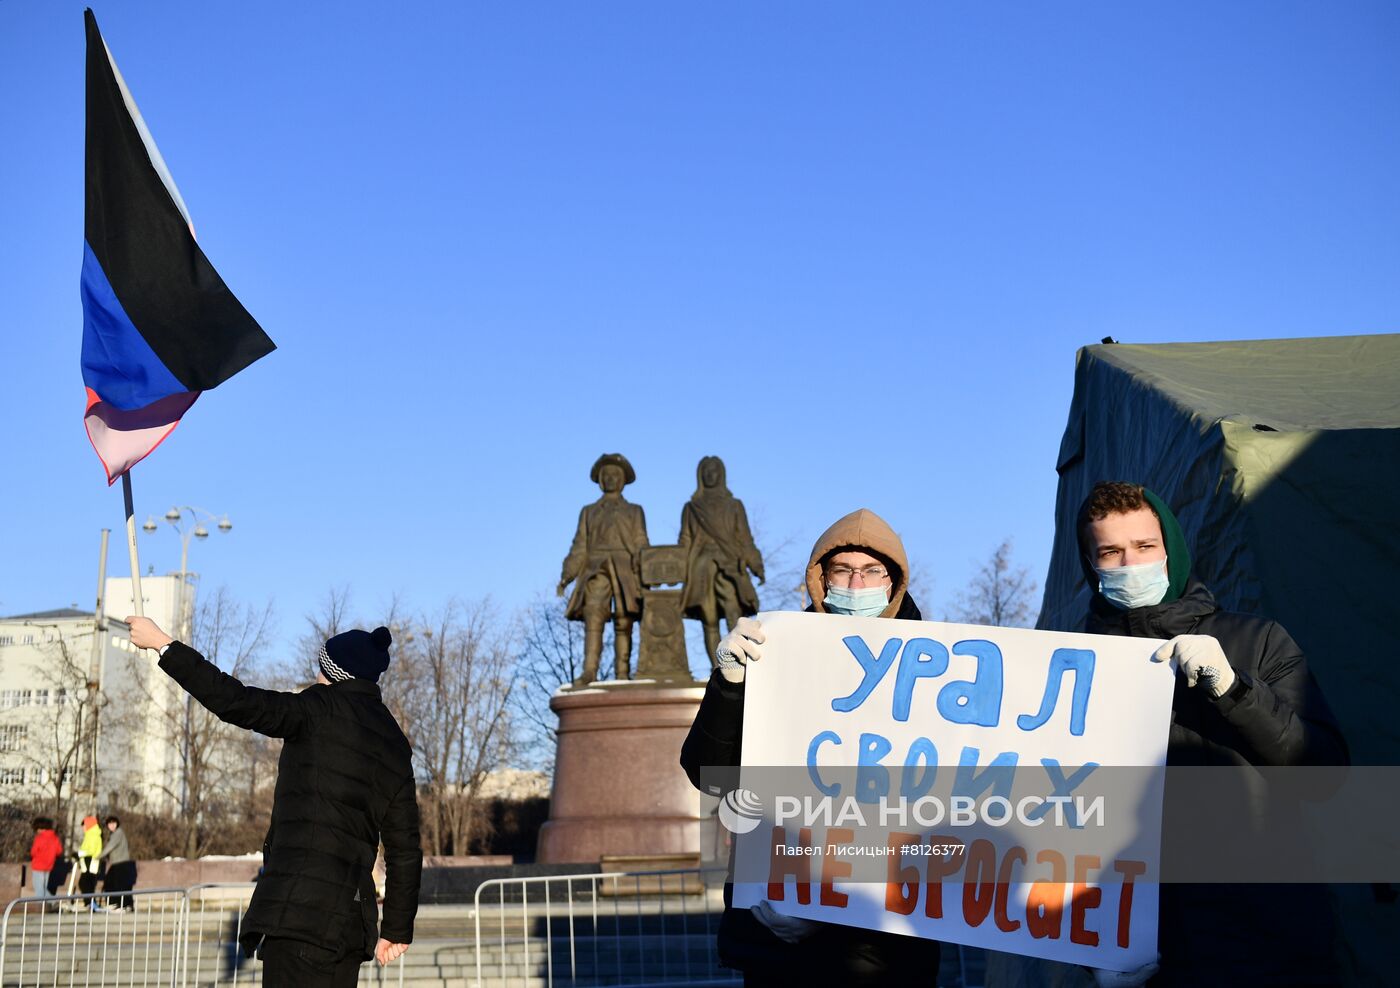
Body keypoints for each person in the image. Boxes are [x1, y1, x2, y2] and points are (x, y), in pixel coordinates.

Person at [990, 481, 1349, 988]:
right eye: (1110, 552)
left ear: (1171, 551)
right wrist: (1092, 950)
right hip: (1147, 950)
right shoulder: (1065, 671)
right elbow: (1042, 817)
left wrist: (1234, 689)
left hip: (1269, 945)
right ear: (1090, 565)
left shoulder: (1258, 642)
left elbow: (1324, 775)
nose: (1130, 564)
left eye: (1144, 547)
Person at [680, 508, 942, 987]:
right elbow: (708, 770)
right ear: (820, 579)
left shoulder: (941, 672)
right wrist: (731, 686)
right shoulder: (772, 655)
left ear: (894, 581)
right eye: (842, 571)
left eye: (870, 571)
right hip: (779, 935)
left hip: (888, 941)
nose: (856, 584)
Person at [127, 615, 422, 987]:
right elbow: (405, 849)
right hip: (347, 926)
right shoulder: (395, 743)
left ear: (331, 671)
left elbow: (236, 701)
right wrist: (396, 928)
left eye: (321, 669)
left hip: (299, 915)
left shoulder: (317, 709)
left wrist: (164, 645)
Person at [557, 453, 650, 684]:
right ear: (599, 480)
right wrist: (566, 576)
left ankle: (622, 673)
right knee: (593, 616)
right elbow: (579, 546)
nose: (610, 479)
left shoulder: (635, 511)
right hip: (596, 569)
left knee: (624, 620)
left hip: (626, 570)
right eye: (605, 475)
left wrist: (647, 570)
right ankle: (589, 671)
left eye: (615, 475)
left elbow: (641, 543)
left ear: (623, 480)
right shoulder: (588, 511)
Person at [678, 455, 766, 664]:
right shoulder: (691, 508)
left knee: (734, 618)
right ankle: (717, 668)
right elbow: (684, 541)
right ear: (700, 476)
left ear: (721, 474)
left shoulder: (734, 505)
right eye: (705, 470)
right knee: (708, 620)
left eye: (714, 470)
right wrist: (676, 568)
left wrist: (756, 565)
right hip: (701, 569)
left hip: (729, 567)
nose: (710, 474)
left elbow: (744, 539)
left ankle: (739, 664)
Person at [98, 815, 137, 912]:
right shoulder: (114, 834)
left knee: (119, 885)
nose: (111, 825)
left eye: (113, 823)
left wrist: (98, 856)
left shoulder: (118, 833)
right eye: (109, 824)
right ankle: (120, 904)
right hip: (117, 863)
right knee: (112, 883)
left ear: (117, 824)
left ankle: (122, 905)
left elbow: (110, 846)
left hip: (121, 863)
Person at [29, 817, 62, 900]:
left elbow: (33, 852)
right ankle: (52, 902)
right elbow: (59, 851)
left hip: (38, 866)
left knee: (39, 888)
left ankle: (46, 904)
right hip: (49, 866)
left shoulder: (39, 838)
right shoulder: (55, 837)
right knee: (43, 887)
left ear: (39, 828)